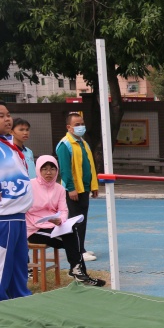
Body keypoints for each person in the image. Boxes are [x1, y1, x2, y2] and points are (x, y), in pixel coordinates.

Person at [26, 156, 105, 286]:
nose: (48, 172)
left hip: (53, 227)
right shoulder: (29, 186)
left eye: (52, 169)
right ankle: (80, 273)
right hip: (35, 229)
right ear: (38, 170)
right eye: (44, 169)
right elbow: (25, 208)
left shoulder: (60, 189)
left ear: (57, 170)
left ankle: (78, 272)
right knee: (73, 241)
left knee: (72, 231)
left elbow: (63, 210)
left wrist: (60, 220)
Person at [0, 101, 33, 301]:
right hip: (4, 217)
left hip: (19, 216)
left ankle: (21, 301)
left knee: (19, 266)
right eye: (1, 116)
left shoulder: (10, 145)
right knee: (3, 267)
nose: (7, 119)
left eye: (8, 114)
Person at [56, 112, 99, 262]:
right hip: (74, 189)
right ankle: (77, 251)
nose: (81, 127)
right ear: (69, 127)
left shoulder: (83, 143)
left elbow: (89, 165)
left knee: (82, 220)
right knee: (75, 221)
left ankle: (81, 248)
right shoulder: (65, 144)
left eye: (82, 124)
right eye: (77, 125)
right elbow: (65, 169)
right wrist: (70, 188)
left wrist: (93, 185)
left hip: (84, 187)